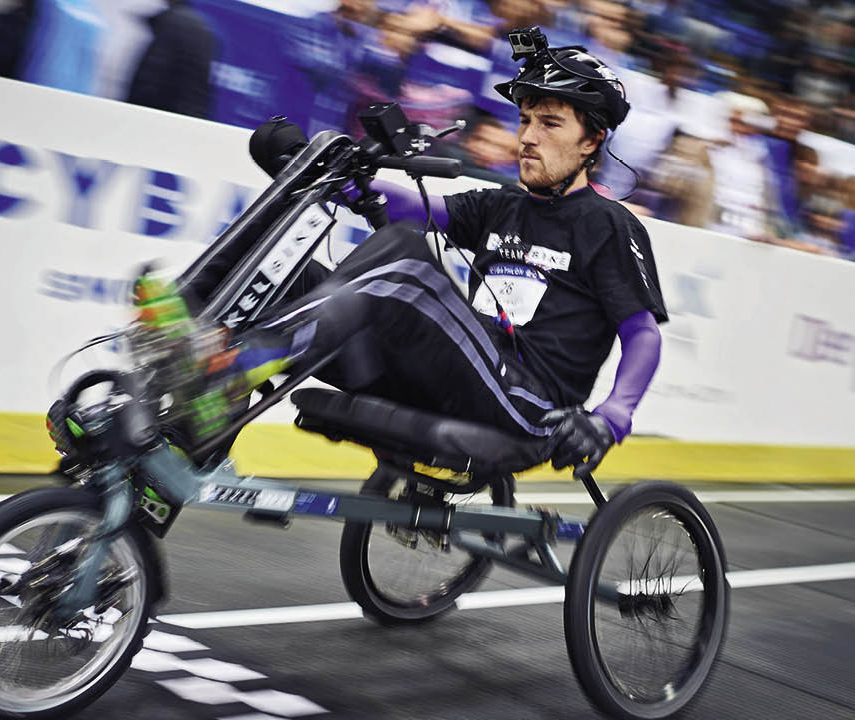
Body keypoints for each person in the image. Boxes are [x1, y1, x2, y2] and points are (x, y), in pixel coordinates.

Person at [137, 33, 668, 479]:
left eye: (549, 124)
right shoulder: (502, 204)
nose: (527, 137)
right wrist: (342, 177)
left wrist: (611, 418)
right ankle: (182, 355)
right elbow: (417, 205)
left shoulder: (609, 225)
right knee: (287, 270)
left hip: (530, 403)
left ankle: (237, 368)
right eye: (525, 120)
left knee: (409, 258)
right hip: (454, 376)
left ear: (591, 141)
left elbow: (642, 334)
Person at [125, 0, 215, 119]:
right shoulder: (204, 27)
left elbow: (150, 77)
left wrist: (131, 111)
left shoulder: (171, 23)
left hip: (161, 115)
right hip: (187, 117)